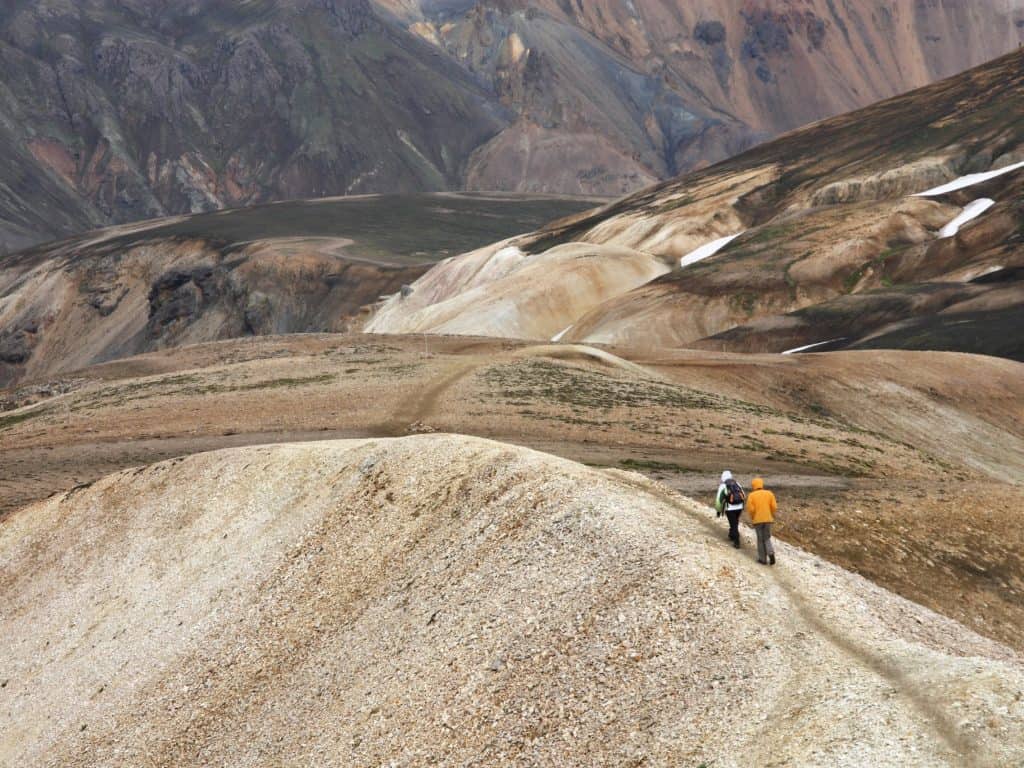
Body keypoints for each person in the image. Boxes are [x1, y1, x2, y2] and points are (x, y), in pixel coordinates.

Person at [745, 477, 778, 565]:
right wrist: (770, 514)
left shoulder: (751, 495)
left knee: (760, 539)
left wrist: (753, 517)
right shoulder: (769, 493)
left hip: (757, 520)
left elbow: (751, 509)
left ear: (753, 486)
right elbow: (774, 507)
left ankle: (762, 559)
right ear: (761, 484)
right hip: (768, 519)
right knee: (766, 537)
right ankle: (770, 552)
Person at [715, 470, 745, 548]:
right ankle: (732, 534)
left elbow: (719, 499)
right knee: (735, 522)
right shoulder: (737, 483)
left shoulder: (723, 486)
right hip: (739, 507)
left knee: (733, 523)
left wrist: (718, 510)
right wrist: (742, 506)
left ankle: (737, 541)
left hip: (730, 508)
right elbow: (743, 495)